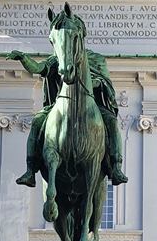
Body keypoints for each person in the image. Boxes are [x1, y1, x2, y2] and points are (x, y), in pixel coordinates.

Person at [7, 47, 128, 188]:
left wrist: (90, 82)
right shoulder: (58, 58)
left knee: (112, 122)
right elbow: (39, 68)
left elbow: (103, 81)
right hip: (61, 105)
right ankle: (30, 171)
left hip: (91, 106)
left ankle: (116, 167)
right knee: (37, 122)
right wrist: (24, 58)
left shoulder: (96, 58)